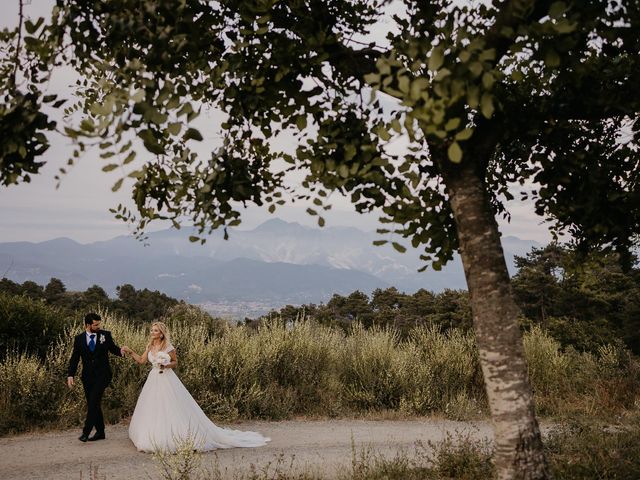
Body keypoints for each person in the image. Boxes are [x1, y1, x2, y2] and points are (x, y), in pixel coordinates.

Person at [122, 321, 270, 453]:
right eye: (152, 330)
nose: (152, 332)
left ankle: (173, 436)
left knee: (171, 407)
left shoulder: (168, 347)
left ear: (161, 334)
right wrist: (130, 352)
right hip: (154, 378)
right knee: (152, 407)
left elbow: (175, 362)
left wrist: (166, 364)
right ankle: (149, 435)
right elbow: (141, 360)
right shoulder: (150, 345)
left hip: (166, 379)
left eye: (155, 330)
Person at [67, 312, 125, 442]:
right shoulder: (79, 339)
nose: (99, 326)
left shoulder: (105, 335)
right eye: (96, 324)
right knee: (94, 404)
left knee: (93, 401)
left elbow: (113, 348)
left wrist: (122, 351)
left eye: (99, 324)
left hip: (103, 375)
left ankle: (86, 432)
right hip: (87, 377)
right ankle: (100, 432)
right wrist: (71, 375)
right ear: (88, 325)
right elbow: (75, 358)